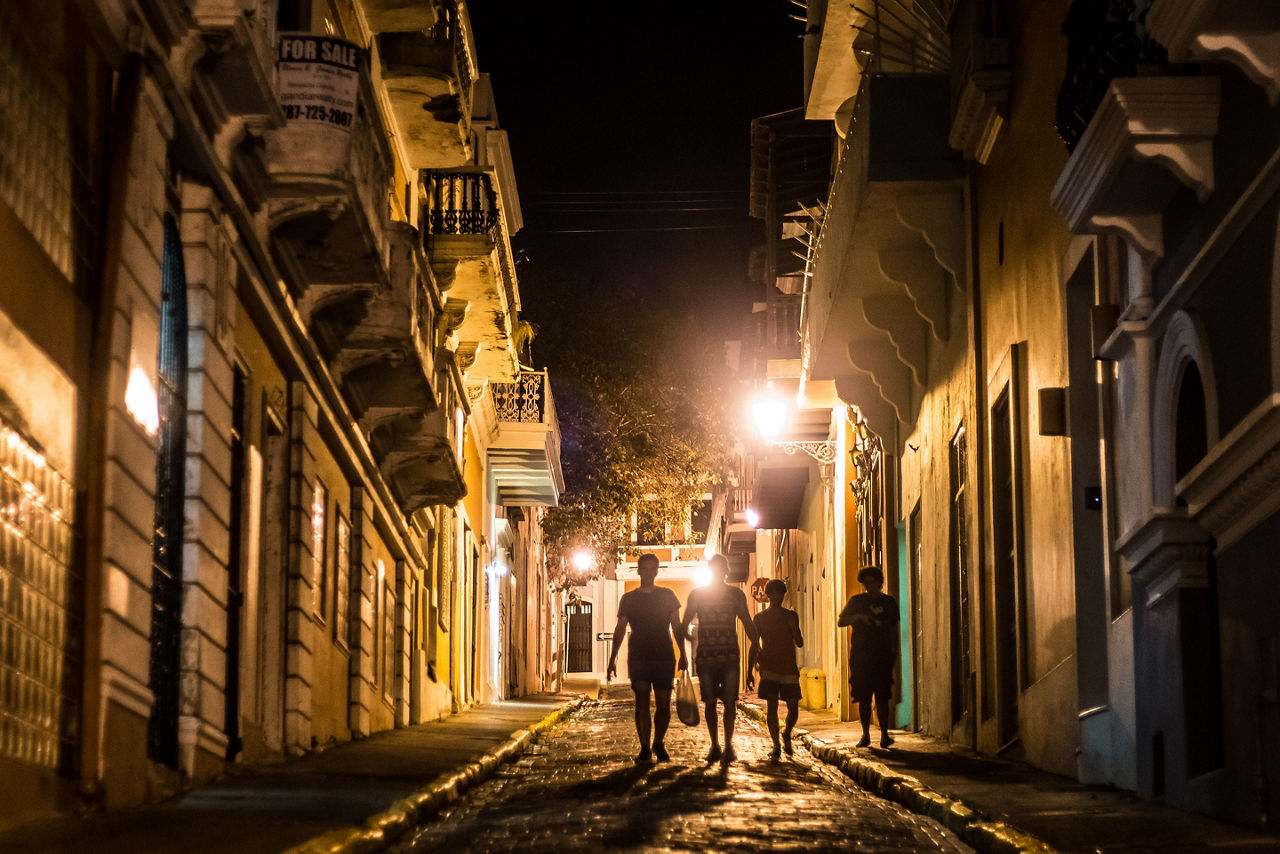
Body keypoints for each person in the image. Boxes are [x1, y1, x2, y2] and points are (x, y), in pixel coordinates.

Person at [607, 554, 687, 764]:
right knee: (641, 702)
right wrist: (612, 658)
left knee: (663, 705)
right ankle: (644, 747)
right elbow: (620, 629)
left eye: (653, 568)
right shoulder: (628, 599)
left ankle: (658, 742)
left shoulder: (668, 596)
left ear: (657, 571)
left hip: (664, 656)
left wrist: (684, 655)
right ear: (639, 570)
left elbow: (677, 627)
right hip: (638, 657)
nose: (649, 572)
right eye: (645, 568)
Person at [681, 554, 759, 766]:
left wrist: (757, 645)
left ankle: (721, 745)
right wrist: (757, 645)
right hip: (719, 656)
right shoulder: (729, 594)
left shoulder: (725, 594)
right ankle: (721, 745)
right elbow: (747, 622)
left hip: (715, 656)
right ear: (725, 571)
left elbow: (684, 624)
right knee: (720, 702)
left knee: (719, 702)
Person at [837, 565, 900, 748]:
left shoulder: (889, 602)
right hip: (861, 656)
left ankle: (884, 734)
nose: (869, 586)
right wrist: (858, 617)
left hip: (882, 654)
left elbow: (894, 628)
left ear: (879, 582)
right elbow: (842, 621)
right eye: (866, 583)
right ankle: (865, 734)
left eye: (872, 582)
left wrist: (894, 651)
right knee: (863, 697)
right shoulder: (856, 601)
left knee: (882, 697)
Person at [748, 578, 804, 760]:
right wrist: (749, 670)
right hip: (769, 667)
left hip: (788, 667)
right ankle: (776, 745)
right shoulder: (760, 618)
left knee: (793, 708)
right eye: (774, 594)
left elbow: (799, 642)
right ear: (769, 595)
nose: (778, 597)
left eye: (781, 593)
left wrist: (793, 628)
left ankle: (787, 732)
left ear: (783, 595)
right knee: (771, 708)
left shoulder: (791, 616)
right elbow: (754, 645)